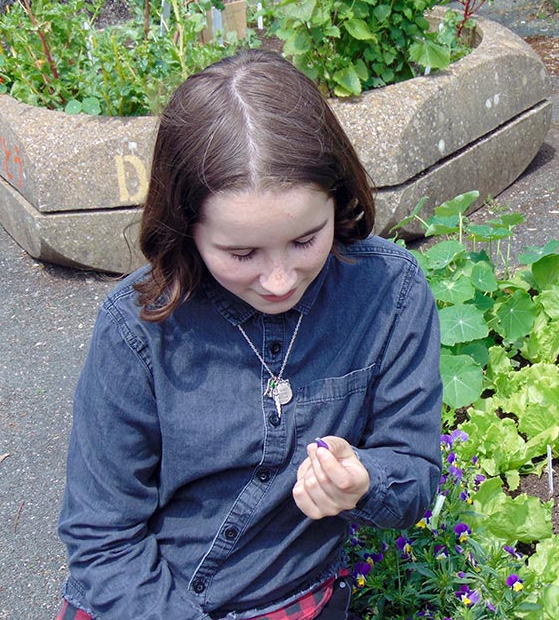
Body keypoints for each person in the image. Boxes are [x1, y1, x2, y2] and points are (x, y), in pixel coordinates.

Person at [55, 49, 443, 620]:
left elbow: (415, 474)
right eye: (241, 253)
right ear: (184, 228)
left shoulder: (390, 291)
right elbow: (103, 540)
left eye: (306, 239)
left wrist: (365, 480)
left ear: (340, 199)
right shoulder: (137, 327)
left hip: (296, 601)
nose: (280, 280)